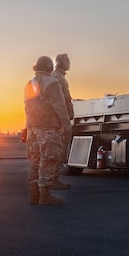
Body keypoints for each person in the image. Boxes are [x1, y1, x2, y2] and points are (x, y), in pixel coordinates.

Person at [24, 55, 73, 206]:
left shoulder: (29, 83)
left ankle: (34, 194)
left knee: (35, 161)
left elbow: (26, 107)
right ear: (49, 67)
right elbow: (59, 106)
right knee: (49, 159)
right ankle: (44, 195)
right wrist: (66, 125)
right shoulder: (52, 83)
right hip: (48, 128)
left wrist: (27, 126)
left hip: (33, 128)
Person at [51, 52, 75, 186]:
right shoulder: (57, 78)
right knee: (59, 149)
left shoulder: (59, 77)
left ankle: (54, 179)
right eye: (67, 61)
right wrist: (65, 120)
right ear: (60, 62)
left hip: (60, 118)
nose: (69, 63)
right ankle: (53, 180)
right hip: (59, 120)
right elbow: (61, 100)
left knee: (60, 149)